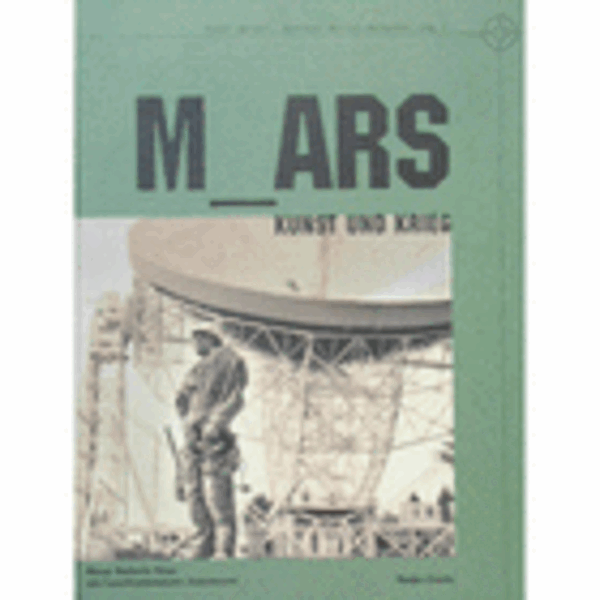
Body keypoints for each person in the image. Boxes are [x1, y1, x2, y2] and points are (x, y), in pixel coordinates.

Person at [173, 329, 247, 559]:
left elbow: (235, 398)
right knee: (194, 495)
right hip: (193, 439)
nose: (193, 343)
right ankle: (203, 543)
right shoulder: (197, 369)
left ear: (209, 337)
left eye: (197, 338)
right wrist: (188, 421)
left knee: (217, 498)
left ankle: (223, 548)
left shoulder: (229, 360)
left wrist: (215, 424)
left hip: (213, 440)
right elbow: (182, 399)